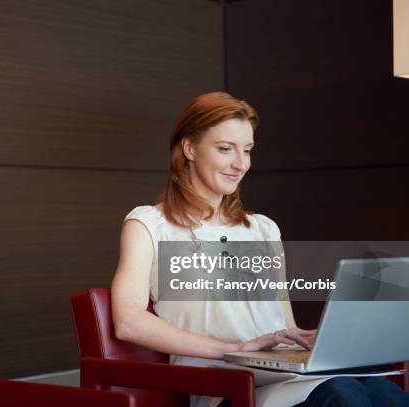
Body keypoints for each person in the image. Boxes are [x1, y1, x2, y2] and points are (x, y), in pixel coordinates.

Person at [110, 92, 409, 407]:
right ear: (189, 148)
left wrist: (314, 340)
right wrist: (236, 347)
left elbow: (285, 326)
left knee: (383, 392)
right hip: (228, 388)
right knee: (343, 395)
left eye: (247, 150)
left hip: (285, 375)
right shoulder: (149, 224)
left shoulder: (264, 229)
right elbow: (129, 320)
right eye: (226, 149)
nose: (240, 164)